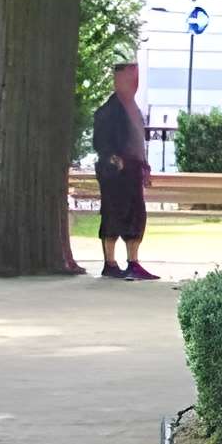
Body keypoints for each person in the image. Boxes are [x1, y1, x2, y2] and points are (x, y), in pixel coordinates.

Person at [90, 62, 155, 280]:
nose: (134, 83)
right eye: (130, 78)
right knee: (113, 214)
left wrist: (144, 165)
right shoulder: (108, 111)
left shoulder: (134, 108)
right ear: (118, 81)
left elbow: (138, 140)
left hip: (133, 169)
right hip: (116, 172)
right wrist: (112, 158)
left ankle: (133, 262)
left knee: (136, 215)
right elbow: (100, 141)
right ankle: (110, 263)